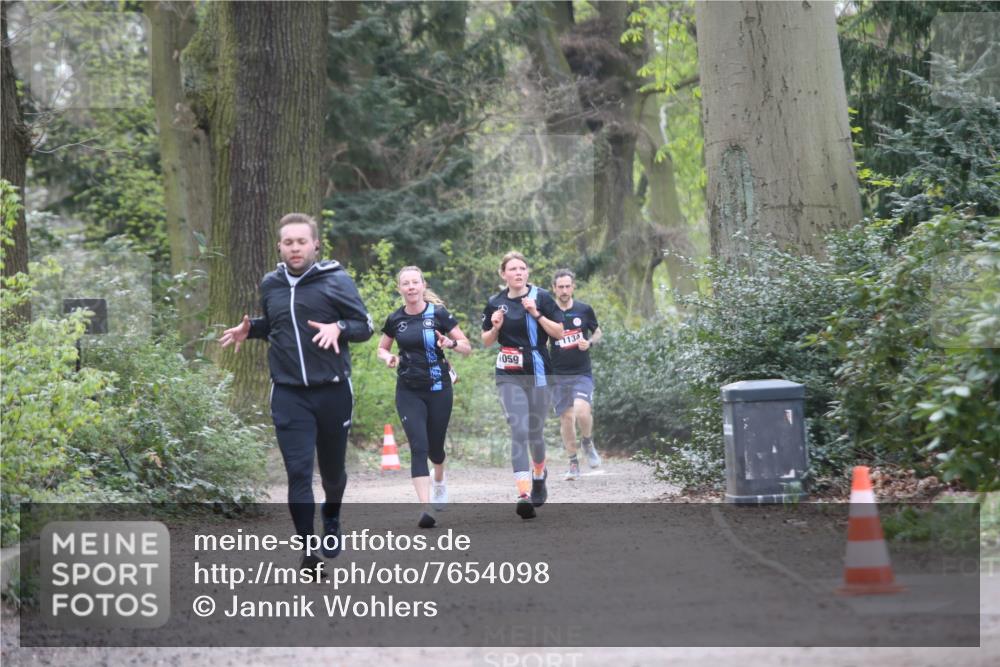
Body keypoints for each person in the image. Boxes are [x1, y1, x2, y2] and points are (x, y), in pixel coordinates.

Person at [219, 212, 373, 571]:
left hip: (333, 391)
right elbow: (278, 326)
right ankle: (308, 551)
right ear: (280, 246)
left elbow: (364, 326)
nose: (295, 248)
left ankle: (331, 513)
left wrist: (339, 327)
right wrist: (252, 330)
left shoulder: (335, 280)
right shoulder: (270, 284)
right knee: (299, 474)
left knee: (333, 474)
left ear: (315, 244)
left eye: (301, 241)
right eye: (288, 242)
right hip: (289, 394)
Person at [377, 267, 471, 529]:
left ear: (422, 285)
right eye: (405, 283)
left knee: (435, 449)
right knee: (418, 447)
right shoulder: (395, 319)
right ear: (400, 289)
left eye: (414, 282)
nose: (410, 287)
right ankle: (426, 508)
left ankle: (439, 479)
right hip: (408, 390)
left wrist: (450, 344)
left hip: (439, 388)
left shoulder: (438, 314)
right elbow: (381, 348)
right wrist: (388, 357)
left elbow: (466, 347)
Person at [481, 251, 564, 519]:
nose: (518, 272)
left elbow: (559, 332)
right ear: (503, 274)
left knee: (535, 433)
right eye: (512, 269)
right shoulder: (495, 302)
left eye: (522, 268)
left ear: (527, 272)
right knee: (518, 429)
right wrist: (495, 328)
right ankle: (524, 493)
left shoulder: (542, 297)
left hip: (538, 370)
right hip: (508, 373)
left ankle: (539, 474)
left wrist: (536, 314)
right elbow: (485, 340)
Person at [549, 269, 603, 480]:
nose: (564, 290)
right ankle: (573, 462)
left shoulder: (584, 309)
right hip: (558, 374)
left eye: (567, 286)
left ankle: (587, 442)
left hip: (581, 372)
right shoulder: (548, 312)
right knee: (566, 418)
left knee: (581, 411)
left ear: (573, 287)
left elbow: (597, 332)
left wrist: (589, 342)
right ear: (554, 288)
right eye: (560, 287)